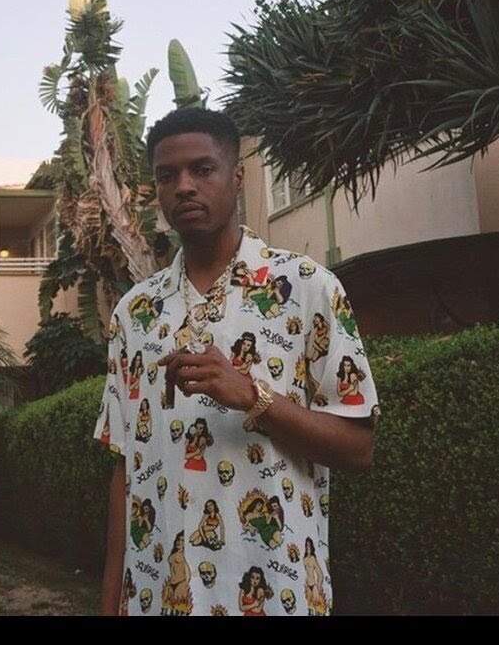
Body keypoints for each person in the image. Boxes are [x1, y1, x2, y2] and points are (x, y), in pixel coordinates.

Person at [94, 107, 379, 616]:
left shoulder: (306, 289)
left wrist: (253, 397)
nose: (184, 186)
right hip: (159, 599)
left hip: (278, 595)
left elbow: (359, 449)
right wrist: (110, 601)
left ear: (238, 177)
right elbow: (125, 467)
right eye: (167, 176)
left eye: (202, 169)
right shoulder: (134, 314)